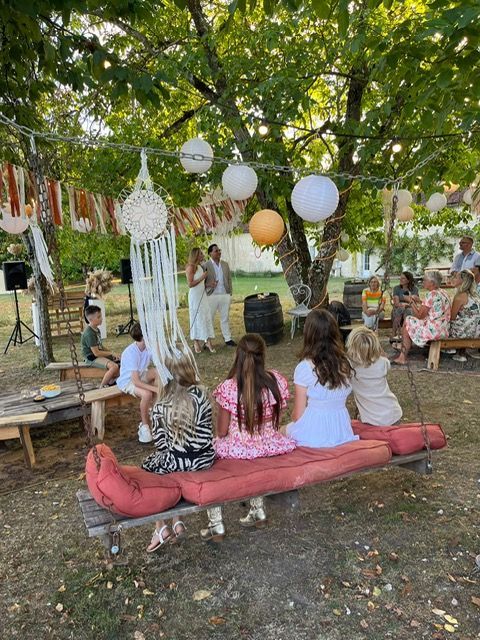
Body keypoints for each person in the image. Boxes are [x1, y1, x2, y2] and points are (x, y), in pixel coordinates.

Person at [200, 334, 295, 542]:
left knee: (207, 462)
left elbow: (222, 431)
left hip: (239, 448)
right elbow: (277, 419)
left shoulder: (230, 388)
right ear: (263, 355)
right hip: (269, 444)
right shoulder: (275, 381)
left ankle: (216, 522)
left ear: (239, 356)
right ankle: (257, 510)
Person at [142, 354, 215, 552]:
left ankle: (161, 527)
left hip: (179, 461)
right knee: (175, 462)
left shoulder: (160, 406)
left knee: (150, 467)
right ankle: (177, 522)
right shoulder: (203, 395)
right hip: (204, 458)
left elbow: (161, 445)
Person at [286, 309, 358, 448]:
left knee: (284, 430)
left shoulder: (304, 367)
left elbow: (298, 415)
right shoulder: (345, 363)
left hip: (315, 433)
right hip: (341, 430)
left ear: (309, 334)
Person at [392, 270, 451, 365]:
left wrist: (411, 301)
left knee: (408, 320)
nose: (423, 282)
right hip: (443, 329)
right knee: (409, 321)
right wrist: (419, 301)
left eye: (425, 280)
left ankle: (403, 356)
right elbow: (431, 306)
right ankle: (406, 346)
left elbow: (419, 316)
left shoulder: (431, 294)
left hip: (434, 330)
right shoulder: (443, 292)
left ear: (432, 283)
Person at [346, 326, 402, 426]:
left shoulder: (351, 369)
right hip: (392, 413)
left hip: (371, 419)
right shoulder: (382, 363)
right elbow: (383, 357)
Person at [116, 323, 158, 444]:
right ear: (144, 337)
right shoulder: (131, 353)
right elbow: (135, 381)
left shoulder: (148, 347)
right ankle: (145, 426)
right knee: (147, 394)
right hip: (128, 381)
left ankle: (155, 412)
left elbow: (159, 362)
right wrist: (155, 389)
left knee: (157, 373)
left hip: (140, 375)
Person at [203, 244, 236, 346]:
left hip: (224, 294)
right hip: (211, 295)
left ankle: (228, 339)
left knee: (225, 318)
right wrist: (209, 285)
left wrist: (230, 292)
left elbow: (229, 279)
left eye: (219, 250)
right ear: (210, 253)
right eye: (216, 251)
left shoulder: (225, 264)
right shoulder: (205, 265)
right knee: (209, 318)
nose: (219, 252)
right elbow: (202, 282)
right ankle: (206, 340)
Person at [81, 305, 119, 388]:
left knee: (119, 360)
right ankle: (102, 386)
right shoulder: (89, 333)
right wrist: (111, 353)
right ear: (90, 320)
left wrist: (112, 353)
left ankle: (111, 381)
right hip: (91, 357)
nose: (101, 318)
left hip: (96, 354)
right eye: (98, 317)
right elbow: (96, 353)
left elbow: (100, 346)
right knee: (114, 367)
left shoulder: (97, 329)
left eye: (101, 316)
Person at [186, 248, 215, 354]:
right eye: (201, 254)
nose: (203, 255)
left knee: (205, 316)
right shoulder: (190, 267)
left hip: (203, 296)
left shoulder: (200, 267)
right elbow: (190, 284)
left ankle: (207, 340)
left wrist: (209, 284)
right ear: (196, 255)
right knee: (196, 318)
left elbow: (201, 284)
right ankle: (196, 342)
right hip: (194, 297)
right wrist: (203, 277)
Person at [448, 269, 480, 362]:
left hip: (466, 332)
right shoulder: (475, 295)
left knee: (444, 324)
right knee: (466, 321)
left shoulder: (460, 296)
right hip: (477, 331)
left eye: (456, 277)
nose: (453, 279)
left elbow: (452, 317)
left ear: (462, 281)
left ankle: (455, 350)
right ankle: (463, 351)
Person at [391, 271, 419, 339]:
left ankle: (405, 334)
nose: (400, 279)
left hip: (410, 309)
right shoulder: (396, 288)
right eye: (400, 278)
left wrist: (406, 304)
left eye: (403, 278)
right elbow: (396, 303)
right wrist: (405, 304)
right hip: (398, 308)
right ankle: (394, 333)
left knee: (408, 311)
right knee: (401, 309)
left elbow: (415, 302)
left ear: (408, 280)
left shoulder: (414, 289)